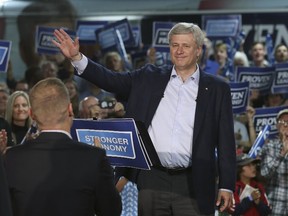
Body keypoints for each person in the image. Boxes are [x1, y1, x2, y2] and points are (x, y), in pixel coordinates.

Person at [53, 22, 236, 215]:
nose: (179, 51)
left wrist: (227, 185)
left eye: (186, 46)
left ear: (198, 50)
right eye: (175, 45)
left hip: (194, 181)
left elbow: (226, 141)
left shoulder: (217, 88)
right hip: (152, 179)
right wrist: (76, 57)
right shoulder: (149, 77)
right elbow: (110, 79)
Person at [4, 77, 122, 216]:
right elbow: (111, 211)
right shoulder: (94, 157)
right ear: (70, 109)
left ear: (32, 114)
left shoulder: (11, 158)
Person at [259, 108, 288, 216]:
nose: (285, 125)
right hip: (275, 205)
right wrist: (283, 153)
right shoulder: (270, 146)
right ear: (277, 126)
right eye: (282, 122)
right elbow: (265, 173)